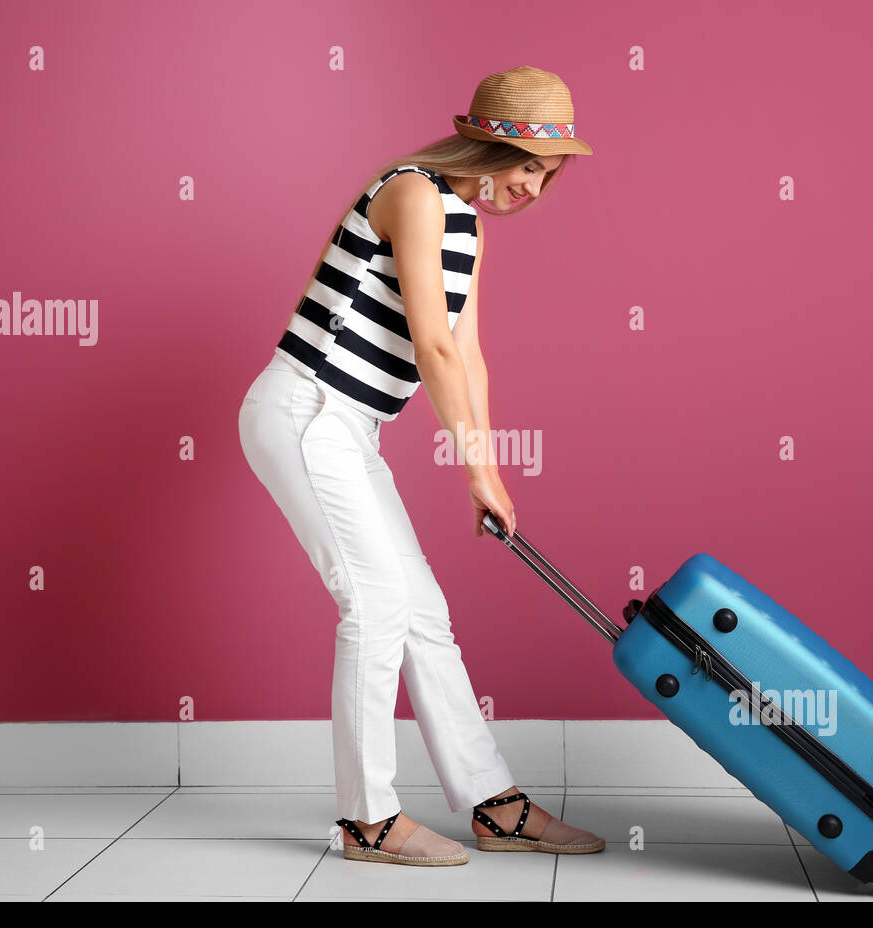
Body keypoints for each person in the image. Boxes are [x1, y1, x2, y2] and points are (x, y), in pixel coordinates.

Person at [239, 66, 605, 866]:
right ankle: (366, 819)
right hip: (304, 410)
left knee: (422, 610)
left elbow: (468, 355)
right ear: (485, 141)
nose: (532, 188)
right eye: (525, 165)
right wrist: (474, 470)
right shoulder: (411, 191)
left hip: (349, 426)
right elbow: (432, 345)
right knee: (373, 604)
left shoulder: (467, 227)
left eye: (546, 176)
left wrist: (489, 468)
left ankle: (493, 802)